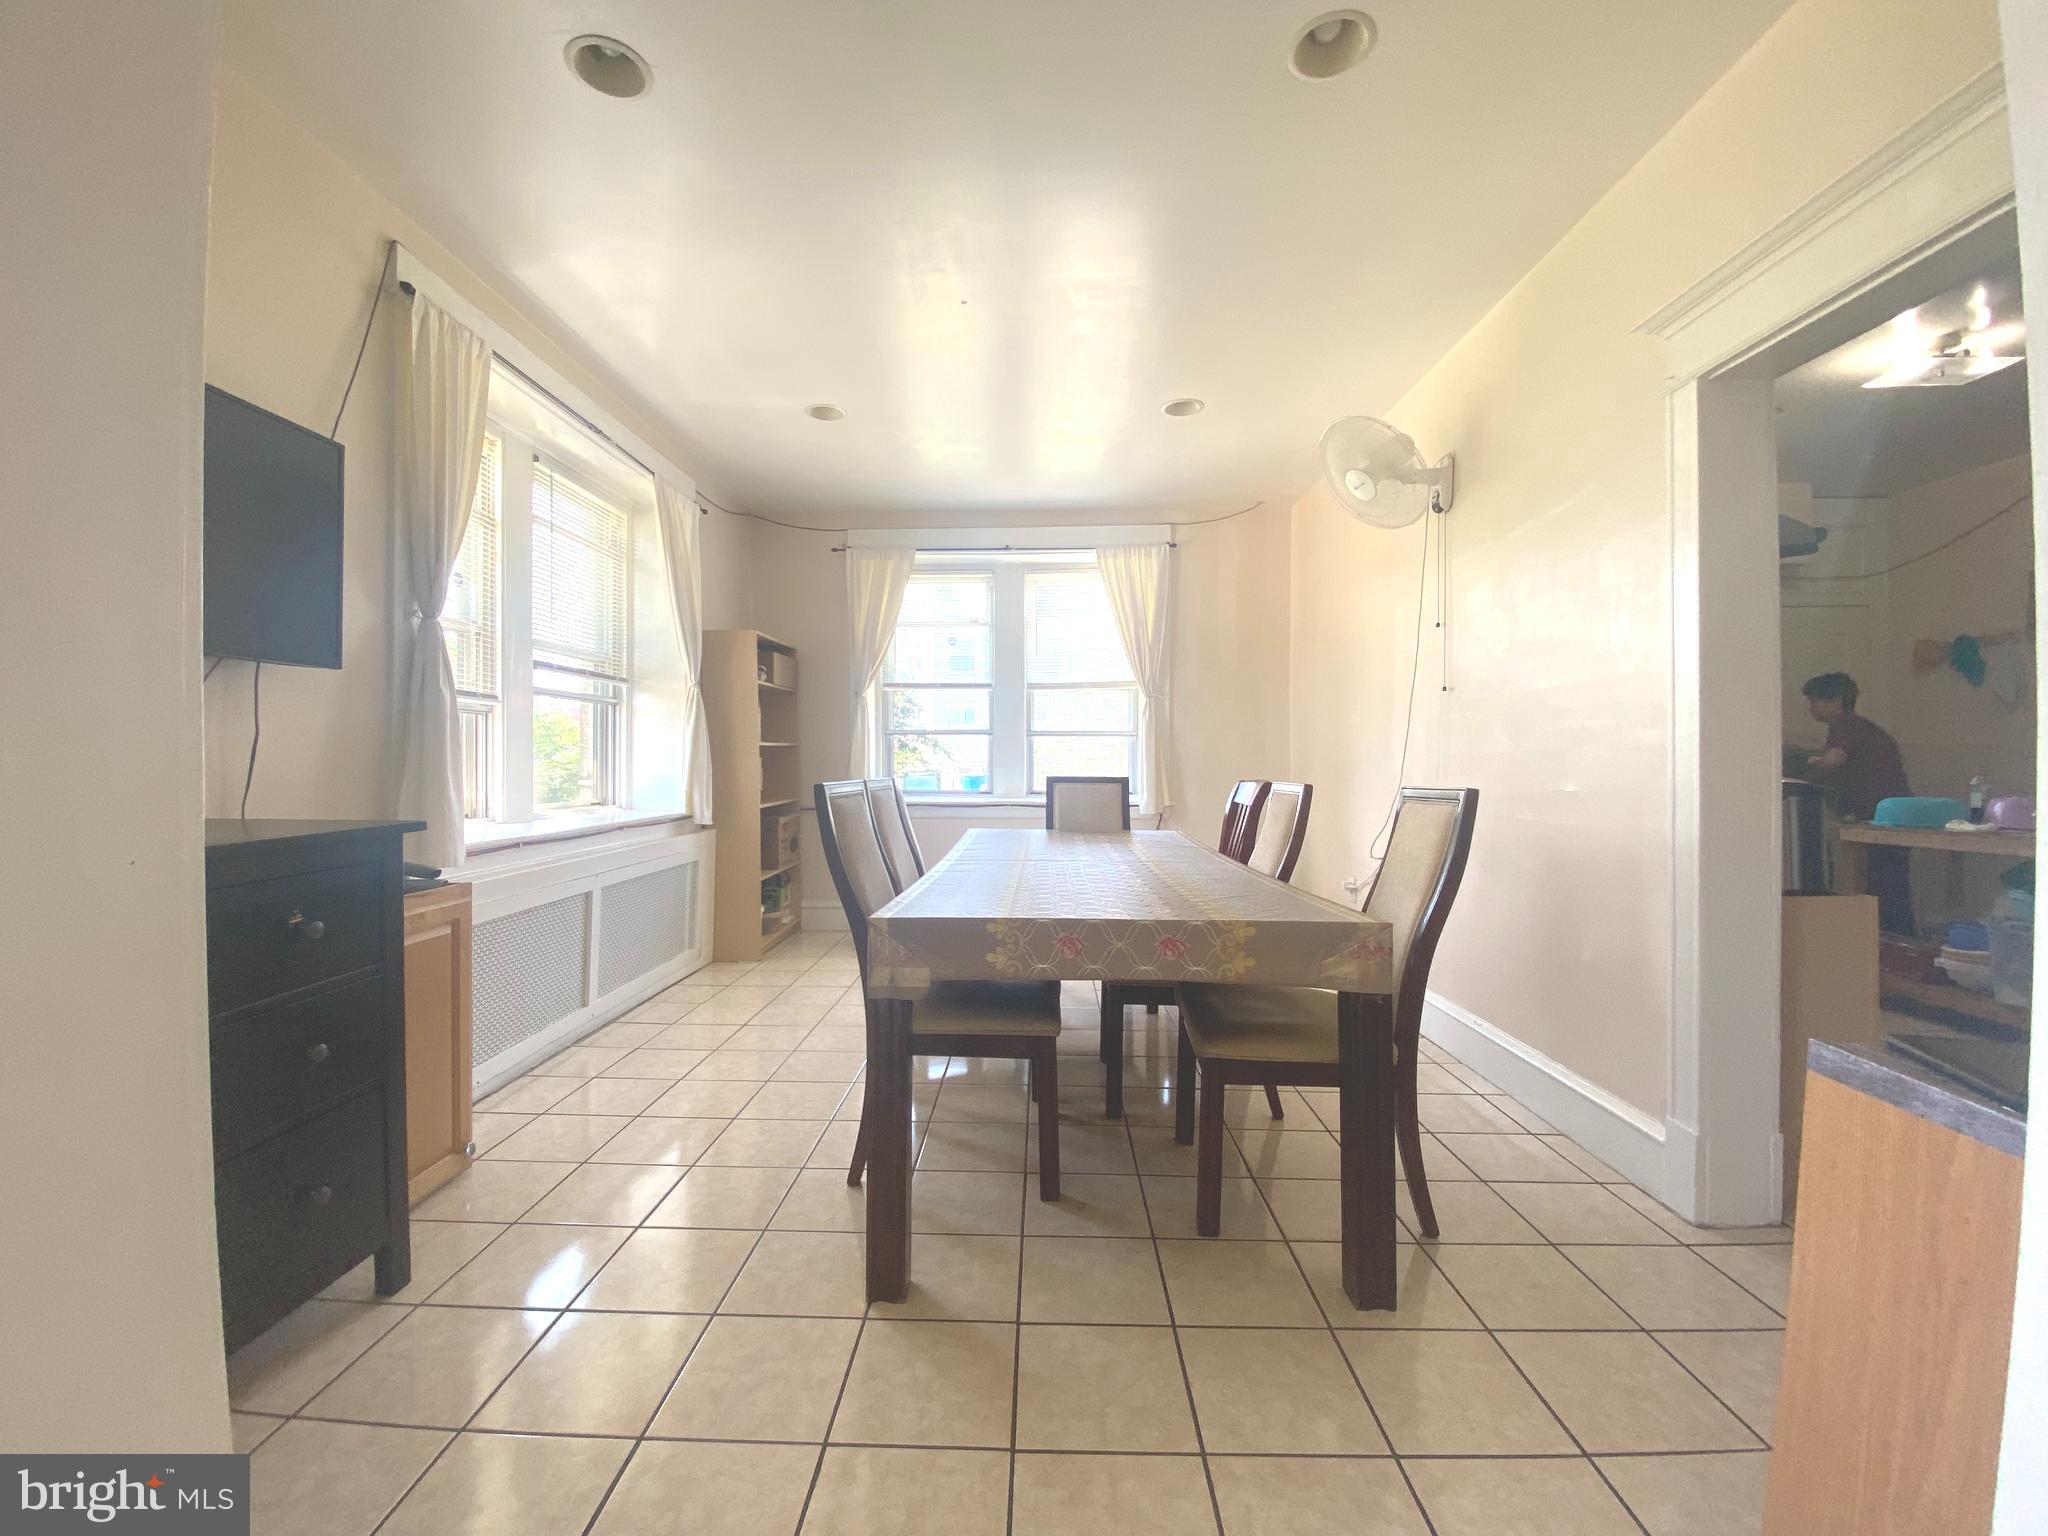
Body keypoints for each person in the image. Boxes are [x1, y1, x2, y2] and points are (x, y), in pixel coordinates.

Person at [1801, 672, 1914, 934]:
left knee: (1887, 886)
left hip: (1884, 817)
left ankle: (1890, 942)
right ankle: (1891, 941)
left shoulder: (1848, 725)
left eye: (1815, 701)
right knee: (1888, 884)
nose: (1811, 708)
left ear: (1836, 701)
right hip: (1885, 814)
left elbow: (1833, 760)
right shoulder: (1857, 728)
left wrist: (1808, 769)